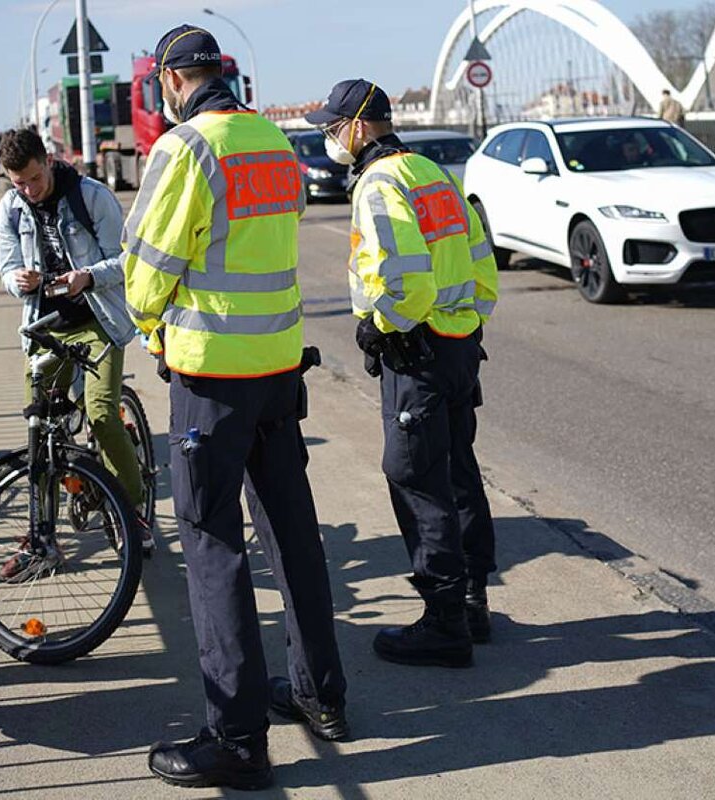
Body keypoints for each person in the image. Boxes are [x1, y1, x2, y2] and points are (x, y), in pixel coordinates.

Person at [123, 24, 347, 790]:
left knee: (212, 543)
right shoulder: (273, 142)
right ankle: (321, 695)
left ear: (170, 81)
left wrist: (152, 329)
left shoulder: (185, 148)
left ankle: (237, 738)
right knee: (291, 532)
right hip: (278, 369)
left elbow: (148, 266)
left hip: (211, 378)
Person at [305, 79, 499, 668]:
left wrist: (382, 326)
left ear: (359, 126)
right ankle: (473, 601)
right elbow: (481, 262)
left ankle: (444, 623)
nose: (330, 138)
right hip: (459, 344)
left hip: (418, 350)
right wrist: (465, 322)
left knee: (415, 476)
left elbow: (405, 275)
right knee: (458, 469)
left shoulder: (379, 182)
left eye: (333, 128)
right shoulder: (431, 172)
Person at [0, 127, 152, 569]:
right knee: (39, 425)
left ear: (47, 161)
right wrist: (18, 281)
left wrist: (87, 277)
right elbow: (7, 268)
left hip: (97, 323)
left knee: (100, 413)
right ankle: (42, 535)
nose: (29, 190)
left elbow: (127, 260)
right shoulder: (10, 208)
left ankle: (133, 512)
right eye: (19, 183)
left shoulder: (90, 196)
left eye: (34, 178)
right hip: (45, 328)